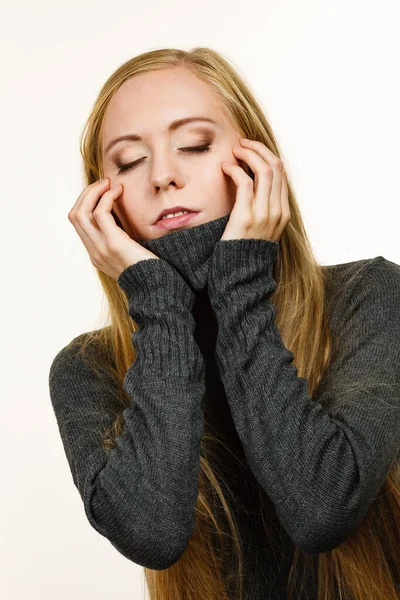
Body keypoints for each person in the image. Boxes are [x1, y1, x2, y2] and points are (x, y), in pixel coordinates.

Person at [48, 47, 400, 600]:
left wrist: (238, 281)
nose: (163, 175)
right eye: (129, 161)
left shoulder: (369, 298)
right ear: (101, 202)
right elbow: (152, 534)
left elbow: (322, 510)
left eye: (194, 145)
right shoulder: (86, 370)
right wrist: (156, 302)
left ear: (259, 160)